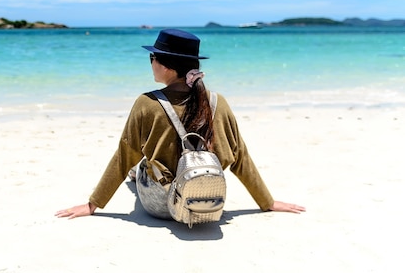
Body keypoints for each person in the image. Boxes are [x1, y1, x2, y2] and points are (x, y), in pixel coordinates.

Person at [56, 29, 305, 220]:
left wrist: (92, 205)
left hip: (163, 206)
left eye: (152, 57)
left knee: (141, 162)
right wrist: (267, 202)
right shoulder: (219, 102)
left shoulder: (147, 102)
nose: (151, 62)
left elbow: (124, 155)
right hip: (207, 201)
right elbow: (240, 156)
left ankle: (138, 175)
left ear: (166, 66)